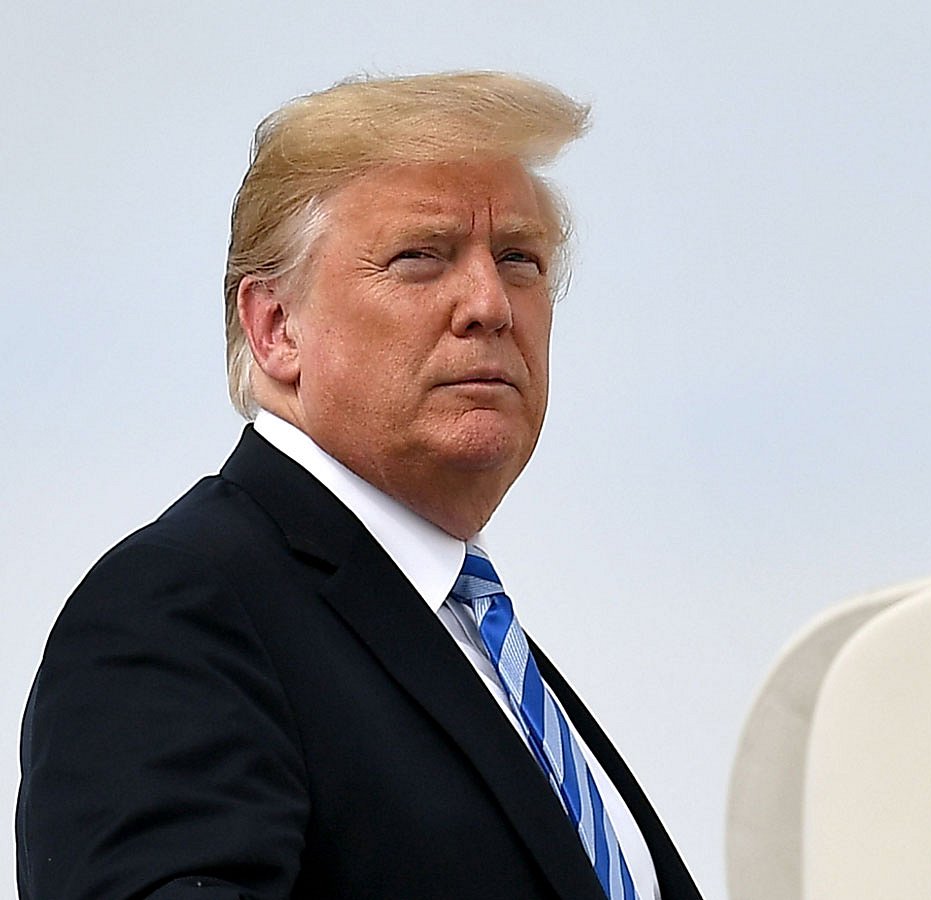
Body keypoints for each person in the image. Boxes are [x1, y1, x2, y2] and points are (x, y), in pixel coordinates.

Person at [17, 71, 703, 900]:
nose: (489, 303)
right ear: (275, 326)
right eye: (421, 258)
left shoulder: (471, 640)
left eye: (519, 259)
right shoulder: (178, 609)